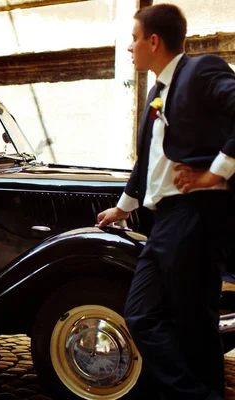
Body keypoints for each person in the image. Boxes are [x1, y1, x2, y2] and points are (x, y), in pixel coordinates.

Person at [98, 4, 235, 399]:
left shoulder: (201, 71)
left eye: (134, 38)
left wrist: (215, 172)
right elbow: (150, 161)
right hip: (164, 222)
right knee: (143, 315)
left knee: (193, 322)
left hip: (196, 216)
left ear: (153, 41)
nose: (129, 48)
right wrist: (123, 207)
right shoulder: (157, 92)